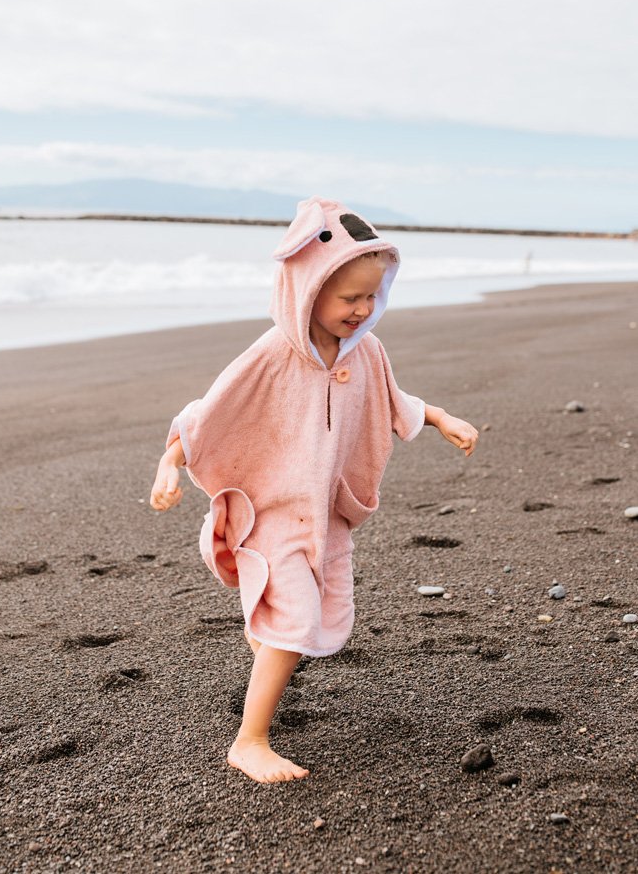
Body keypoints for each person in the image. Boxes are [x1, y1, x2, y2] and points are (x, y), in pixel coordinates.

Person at [150, 196, 478, 784]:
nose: (361, 308)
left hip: (324, 514)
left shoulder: (367, 351)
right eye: (347, 296)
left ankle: (269, 656)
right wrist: (169, 464)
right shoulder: (275, 352)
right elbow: (210, 413)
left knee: (301, 617)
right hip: (273, 510)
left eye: (371, 296)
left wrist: (442, 418)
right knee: (295, 619)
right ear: (308, 287)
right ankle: (249, 740)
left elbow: (393, 400)